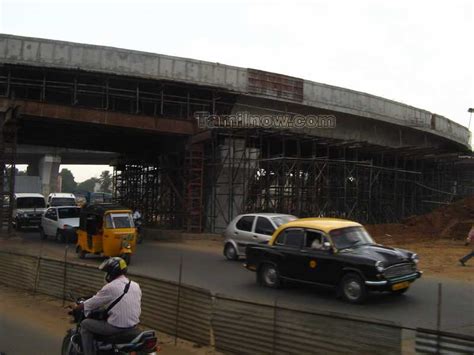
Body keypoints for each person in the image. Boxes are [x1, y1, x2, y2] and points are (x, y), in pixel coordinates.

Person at [72, 257, 142, 355]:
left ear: (112, 273)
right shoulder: (136, 286)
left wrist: (77, 308)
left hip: (116, 327)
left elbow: (92, 302)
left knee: (85, 324)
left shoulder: (111, 287)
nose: (105, 275)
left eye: (107, 272)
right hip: (133, 326)